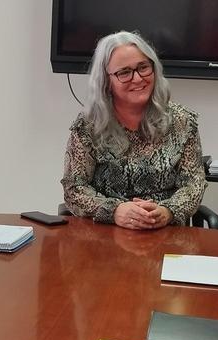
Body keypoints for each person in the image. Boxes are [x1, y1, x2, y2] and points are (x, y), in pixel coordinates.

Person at [61, 31, 206, 229]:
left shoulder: (182, 121)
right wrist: (115, 211)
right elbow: (74, 188)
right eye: (124, 72)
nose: (137, 78)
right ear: (106, 81)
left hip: (165, 231)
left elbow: (193, 184)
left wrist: (166, 211)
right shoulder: (89, 126)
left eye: (143, 67)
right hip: (105, 233)